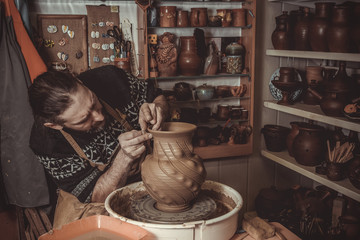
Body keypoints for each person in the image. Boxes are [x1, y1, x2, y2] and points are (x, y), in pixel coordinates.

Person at [28, 65, 169, 203]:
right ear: (55, 125)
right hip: (110, 204)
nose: (99, 117)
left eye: (93, 101)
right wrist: (124, 159)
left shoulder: (111, 79)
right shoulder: (46, 144)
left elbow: (158, 97)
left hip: (159, 181)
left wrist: (158, 109)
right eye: (84, 119)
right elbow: (96, 197)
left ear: (79, 81)